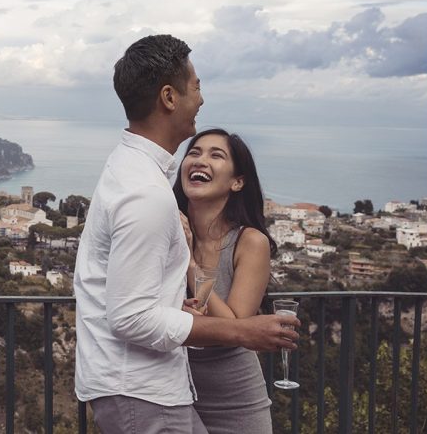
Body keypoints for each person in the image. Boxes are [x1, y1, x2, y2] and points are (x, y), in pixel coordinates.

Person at [74, 34, 299, 434]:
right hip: (142, 390)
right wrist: (242, 330)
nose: (201, 99)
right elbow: (131, 317)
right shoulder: (147, 193)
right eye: (195, 87)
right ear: (169, 97)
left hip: (156, 389)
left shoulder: (132, 173)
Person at [173, 128, 277, 434]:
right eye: (194, 152)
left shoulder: (250, 242)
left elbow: (236, 329)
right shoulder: (165, 230)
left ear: (237, 181)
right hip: (171, 394)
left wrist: (189, 261)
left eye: (216, 155)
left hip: (236, 404)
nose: (200, 160)